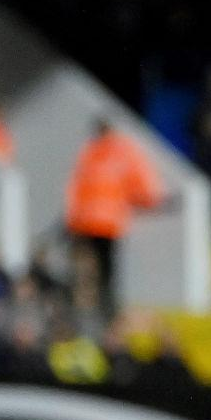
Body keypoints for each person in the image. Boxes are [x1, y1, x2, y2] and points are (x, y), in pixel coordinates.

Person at [65, 118, 164, 311]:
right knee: (91, 267)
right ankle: (92, 305)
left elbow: (138, 177)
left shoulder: (111, 152)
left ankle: (105, 305)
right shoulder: (93, 152)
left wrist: (150, 198)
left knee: (105, 267)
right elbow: (76, 186)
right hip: (91, 222)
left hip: (103, 222)